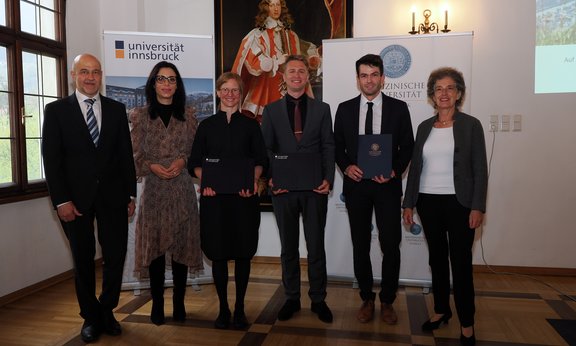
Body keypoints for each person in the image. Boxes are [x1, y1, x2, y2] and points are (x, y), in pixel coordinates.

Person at [41, 53, 137, 343]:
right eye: (84, 71)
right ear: (73, 75)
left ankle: (107, 311)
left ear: (101, 75)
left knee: (115, 257)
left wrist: (130, 193)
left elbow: (125, 156)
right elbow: (52, 159)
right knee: (82, 262)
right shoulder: (56, 111)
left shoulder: (116, 109)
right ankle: (90, 317)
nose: (91, 77)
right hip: (75, 202)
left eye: (95, 71)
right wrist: (61, 201)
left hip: (114, 198)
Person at [402, 67, 487, 346]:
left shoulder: (471, 125)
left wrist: (478, 207)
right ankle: (441, 311)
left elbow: (480, 170)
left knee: (461, 264)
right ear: (432, 95)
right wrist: (409, 203)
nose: (444, 94)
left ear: (459, 93)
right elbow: (415, 170)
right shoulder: (424, 127)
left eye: (450, 88)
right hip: (428, 201)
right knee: (436, 260)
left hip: (460, 204)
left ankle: (467, 323)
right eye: (439, 89)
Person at [333, 54, 414, 325]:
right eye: (364, 75)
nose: (369, 79)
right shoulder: (344, 109)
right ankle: (366, 298)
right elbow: (337, 147)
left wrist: (394, 171)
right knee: (360, 244)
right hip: (356, 187)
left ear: (383, 77)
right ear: (358, 79)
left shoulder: (399, 108)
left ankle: (388, 300)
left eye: (374, 74)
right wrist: (346, 167)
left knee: (390, 244)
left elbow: (408, 146)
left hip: (387, 187)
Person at [188, 72, 267, 330]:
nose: (230, 94)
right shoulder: (206, 126)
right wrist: (206, 182)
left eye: (235, 90)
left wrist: (252, 182)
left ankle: (240, 308)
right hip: (215, 202)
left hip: (244, 201)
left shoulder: (251, 125)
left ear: (241, 94)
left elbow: (260, 162)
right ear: (219, 92)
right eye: (226, 89)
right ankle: (223, 308)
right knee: (219, 255)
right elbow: (195, 164)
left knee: (243, 254)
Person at [261, 54, 335, 323]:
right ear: (283, 76)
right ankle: (291, 297)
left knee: (316, 247)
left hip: (315, 188)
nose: (296, 75)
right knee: (288, 248)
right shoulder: (270, 111)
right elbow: (266, 149)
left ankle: (318, 299)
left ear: (307, 76)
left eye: (301, 71)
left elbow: (328, 145)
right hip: (284, 191)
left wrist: (329, 178)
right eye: (291, 71)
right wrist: (271, 179)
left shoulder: (323, 109)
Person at [129, 61, 203, 326]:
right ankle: (158, 303)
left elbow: (196, 152)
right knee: (157, 250)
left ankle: (180, 301)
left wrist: (183, 162)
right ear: (153, 83)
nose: (167, 84)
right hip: (155, 192)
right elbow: (135, 155)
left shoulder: (190, 114)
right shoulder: (139, 115)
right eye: (161, 79)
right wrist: (152, 166)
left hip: (182, 188)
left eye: (172, 79)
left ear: (177, 84)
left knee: (182, 248)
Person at [232, 0, 321, 121]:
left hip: (289, 86)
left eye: (278, 5)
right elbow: (253, 62)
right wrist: (274, 62)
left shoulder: (292, 35)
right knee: (266, 122)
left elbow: (300, 57)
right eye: (272, 5)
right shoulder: (258, 34)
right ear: (266, 8)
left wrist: (311, 59)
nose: (275, 8)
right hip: (267, 86)